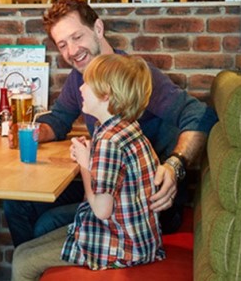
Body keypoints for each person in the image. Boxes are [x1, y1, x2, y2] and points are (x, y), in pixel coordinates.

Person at [4, 0, 218, 247]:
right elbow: (59, 120)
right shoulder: (79, 78)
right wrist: (36, 131)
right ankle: (36, 264)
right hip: (108, 188)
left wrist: (174, 166)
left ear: (98, 29)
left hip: (149, 202)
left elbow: (201, 115)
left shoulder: (131, 75)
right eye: (63, 45)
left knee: (46, 223)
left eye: (77, 37)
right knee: (17, 204)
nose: (72, 51)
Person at [11, 54, 165, 280]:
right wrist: (92, 155)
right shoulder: (125, 128)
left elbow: (101, 210)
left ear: (106, 95)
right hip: (138, 239)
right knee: (24, 249)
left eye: (87, 83)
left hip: (121, 246)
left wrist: (85, 163)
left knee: (23, 262)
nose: (81, 88)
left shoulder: (108, 142)